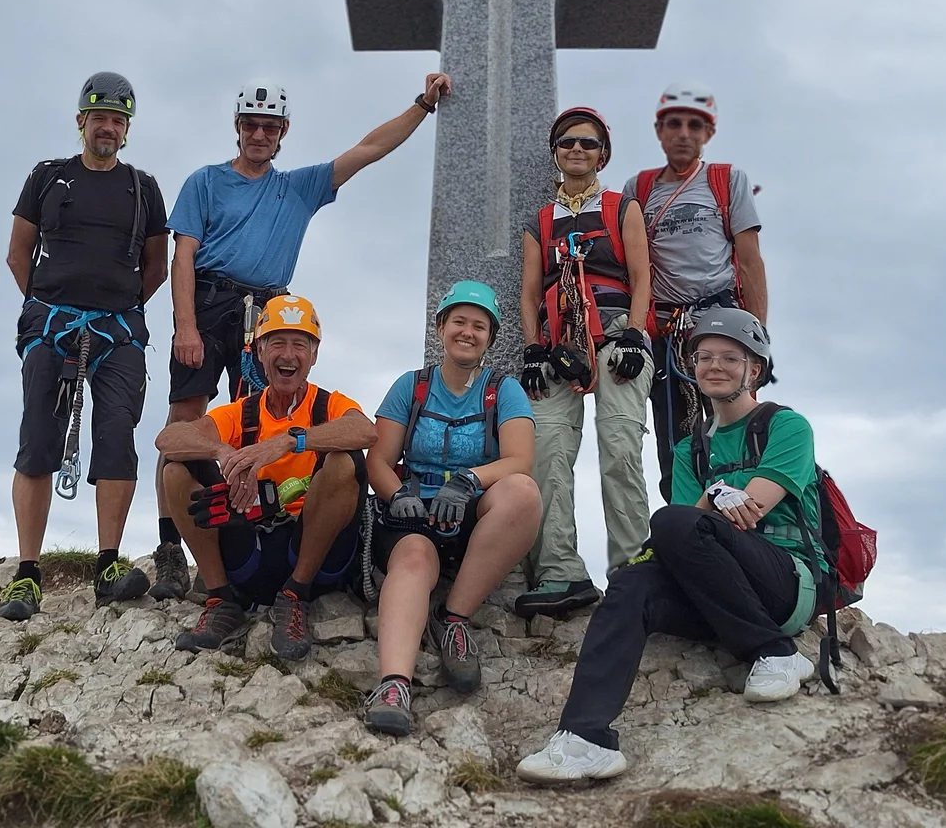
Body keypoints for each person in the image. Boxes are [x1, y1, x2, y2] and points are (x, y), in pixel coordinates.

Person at [149, 74, 452, 599]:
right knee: (186, 419)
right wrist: (185, 325)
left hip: (267, 308)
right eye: (251, 125)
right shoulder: (205, 181)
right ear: (237, 128)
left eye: (269, 127)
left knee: (255, 421)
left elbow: (369, 149)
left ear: (283, 131)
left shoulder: (297, 187)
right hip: (208, 299)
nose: (259, 135)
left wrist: (423, 105)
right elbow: (185, 254)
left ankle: (245, 527)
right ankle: (171, 548)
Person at [515, 308, 824, 784]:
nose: (714, 366)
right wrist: (715, 498)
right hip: (714, 593)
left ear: (755, 369)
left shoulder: (786, 427)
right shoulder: (689, 449)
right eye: (703, 357)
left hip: (784, 581)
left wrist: (714, 500)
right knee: (633, 582)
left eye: (730, 357)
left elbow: (753, 508)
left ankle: (777, 651)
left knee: (671, 522)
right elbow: (686, 532)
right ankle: (584, 738)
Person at [0, 72, 169, 621]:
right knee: (38, 438)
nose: (108, 128)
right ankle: (27, 574)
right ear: (81, 122)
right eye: (100, 118)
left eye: (118, 120)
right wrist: (48, 305)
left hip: (119, 329)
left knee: (117, 432)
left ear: (127, 129)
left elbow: (156, 265)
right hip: (52, 322)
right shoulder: (47, 178)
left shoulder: (143, 188)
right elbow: (18, 252)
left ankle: (108, 565)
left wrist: (114, 307)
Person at [362, 281, 542, 737]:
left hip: (469, 515)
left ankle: (453, 617)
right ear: (440, 326)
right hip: (413, 517)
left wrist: (469, 480)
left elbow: (520, 460)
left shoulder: (504, 390)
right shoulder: (412, 386)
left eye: (479, 325)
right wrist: (399, 495)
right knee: (414, 557)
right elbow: (378, 461)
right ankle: (394, 684)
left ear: (491, 337)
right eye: (459, 321)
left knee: (522, 491)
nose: (468, 332)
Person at [154, 295, 376, 660]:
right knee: (177, 468)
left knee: (345, 461)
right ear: (259, 351)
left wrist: (290, 441)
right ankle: (220, 597)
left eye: (299, 344)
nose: (288, 355)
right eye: (277, 343)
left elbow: (364, 432)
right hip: (251, 552)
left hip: (316, 559)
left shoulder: (328, 404)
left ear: (314, 355)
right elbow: (169, 439)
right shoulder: (243, 412)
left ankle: (295, 596)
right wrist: (224, 454)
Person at [514, 106, 655, 618]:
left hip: (618, 332)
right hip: (559, 342)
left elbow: (642, 277)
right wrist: (532, 347)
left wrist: (638, 337)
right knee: (547, 450)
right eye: (567, 142)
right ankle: (559, 572)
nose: (577, 150)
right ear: (556, 153)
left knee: (619, 445)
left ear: (603, 153)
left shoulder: (622, 207)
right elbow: (530, 291)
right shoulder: (541, 221)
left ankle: (632, 571)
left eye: (588, 143)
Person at [623, 83, 769, 501]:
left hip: (720, 317)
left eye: (694, 125)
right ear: (659, 131)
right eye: (674, 124)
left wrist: (760, 338)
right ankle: (684, 526)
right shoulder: (640, 188)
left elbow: (750, 260)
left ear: (708, 133)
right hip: (666, 328)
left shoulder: (726, 181)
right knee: (674, 440)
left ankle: (750, 523)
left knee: (737, 427)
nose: (683, 133)